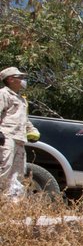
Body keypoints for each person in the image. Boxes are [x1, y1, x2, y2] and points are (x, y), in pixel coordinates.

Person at [0, 67, 38, 200]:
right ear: (10, 79)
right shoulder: (3, 94)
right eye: (20, 77)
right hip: (6, 137)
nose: (23, 80)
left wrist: (32, 130)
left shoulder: (21, 99)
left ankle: (11, 203)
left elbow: (24, 119)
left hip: (19, 139)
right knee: (4, 169)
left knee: (18, 172)